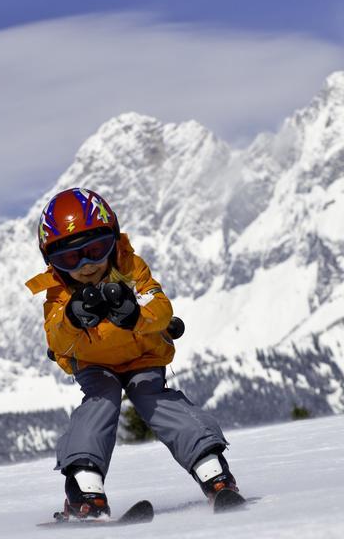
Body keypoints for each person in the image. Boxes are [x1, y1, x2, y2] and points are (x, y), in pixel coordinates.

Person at [25, 188, 240, 520]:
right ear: (52, 262)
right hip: (96, 364)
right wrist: (71, 318)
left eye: (96, 250)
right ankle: (85, 486)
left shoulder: (129, 268)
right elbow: (56, 338)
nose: (85, 266)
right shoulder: (58, 293)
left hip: (143, 357)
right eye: (70, 258)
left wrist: (137, 315)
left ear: (113, 241)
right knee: (101, 402)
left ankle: (212, 471)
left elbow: (160, 307)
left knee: (154, 399)